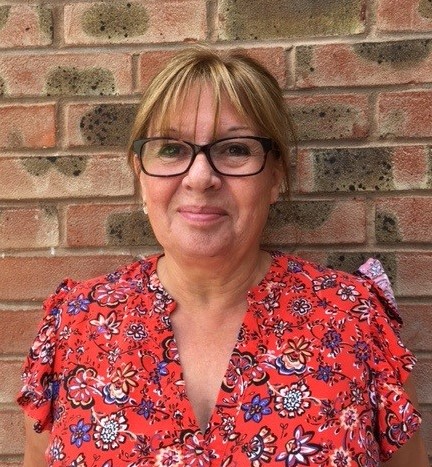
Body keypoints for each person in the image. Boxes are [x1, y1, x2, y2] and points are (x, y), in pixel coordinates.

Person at [18, 46, 428, 467]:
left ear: (275, 177)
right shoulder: (75, 324)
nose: (200, 178)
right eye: (171, 149)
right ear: (140, 175)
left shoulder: (353, 319)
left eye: (234, 149)